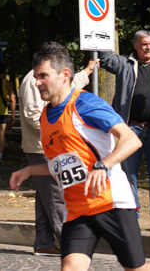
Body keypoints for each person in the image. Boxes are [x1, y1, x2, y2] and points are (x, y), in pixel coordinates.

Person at [10, 41, 150, 271]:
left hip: (111, 203)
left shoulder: (85, 103)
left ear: (65, 75)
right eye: (36, 77)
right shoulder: (45, 116)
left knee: (137, 269)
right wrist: (30, 170)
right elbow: (63, 165)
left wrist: (102, 165)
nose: (37, 83)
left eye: (42, 76)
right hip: (78, 210)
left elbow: (131, 140)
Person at [19, 55, 98, 256]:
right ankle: (71, 246)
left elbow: (68, 84)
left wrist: (87, 71)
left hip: (50, 146)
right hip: (41, 148)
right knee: (55, 195)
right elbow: (31, 114)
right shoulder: (33, 80)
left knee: (45, 195)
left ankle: (44, 242)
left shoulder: (54, 77)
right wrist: (56, 132)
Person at [98, 30, 150, 230]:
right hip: (129, 131)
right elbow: (103, 59)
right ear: (136, 46)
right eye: (144, 44)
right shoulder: (123, 64)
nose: (148, 48)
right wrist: (99, 30)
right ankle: (132, 218)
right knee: (129, 177)